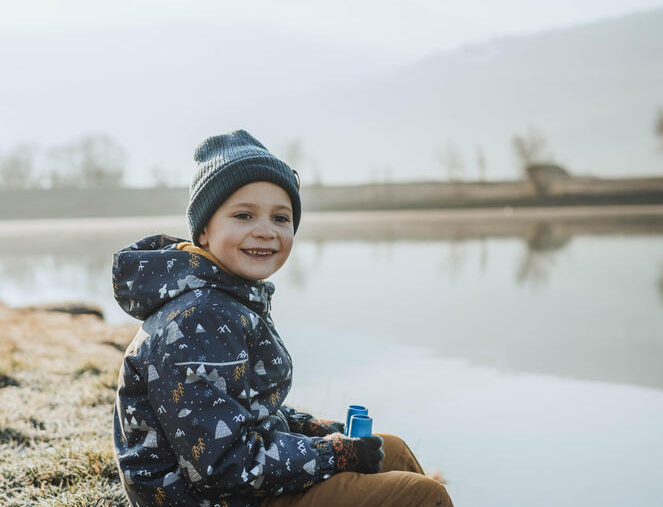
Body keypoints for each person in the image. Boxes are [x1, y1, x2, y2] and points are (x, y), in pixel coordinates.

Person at [112, 130, 453, 507]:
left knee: (392, 451)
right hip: (216, 499)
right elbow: (224, 465)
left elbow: (243, 406)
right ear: (205, 230)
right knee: (423, 496)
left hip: (236, 488)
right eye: (243, 215)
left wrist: (309, 428)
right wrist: (332, 455)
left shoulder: (228, 298)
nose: (265, 231)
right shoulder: (198, 319)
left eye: (281, 218)